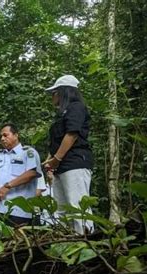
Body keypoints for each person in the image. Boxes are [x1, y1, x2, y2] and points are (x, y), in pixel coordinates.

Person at [42, 74, 94, 234]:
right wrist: (50, 163)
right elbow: (58, 140)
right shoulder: (62, 114)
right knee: (60, 208)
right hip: (61, 167)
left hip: (74, 163)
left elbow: (72, 134)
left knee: (77, 205)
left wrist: (56, 159)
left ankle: (85, 244)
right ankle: (66, 243)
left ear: (64, 92)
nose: (52, 97)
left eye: (54, 93)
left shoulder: (76, 107)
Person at [0, 124, 41, 226]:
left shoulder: (28, 152)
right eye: (1, 136)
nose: (2, 139)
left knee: (15, 241)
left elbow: (32, 173)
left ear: (16, 135)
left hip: (18, 211)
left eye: (5, 135)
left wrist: (7, 186)